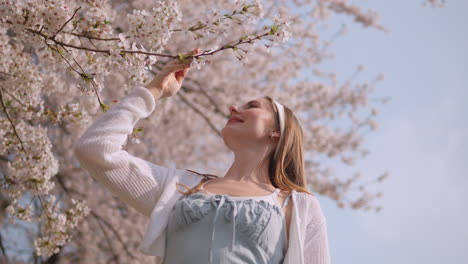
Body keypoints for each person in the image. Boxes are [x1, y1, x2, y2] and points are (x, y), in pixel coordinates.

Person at [74, 48, 331, 264]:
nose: (233, 107)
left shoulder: (298, 207)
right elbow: (95, 149)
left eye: (252, 106)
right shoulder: (178, 187)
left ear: (277, 132)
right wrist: (154, 90)